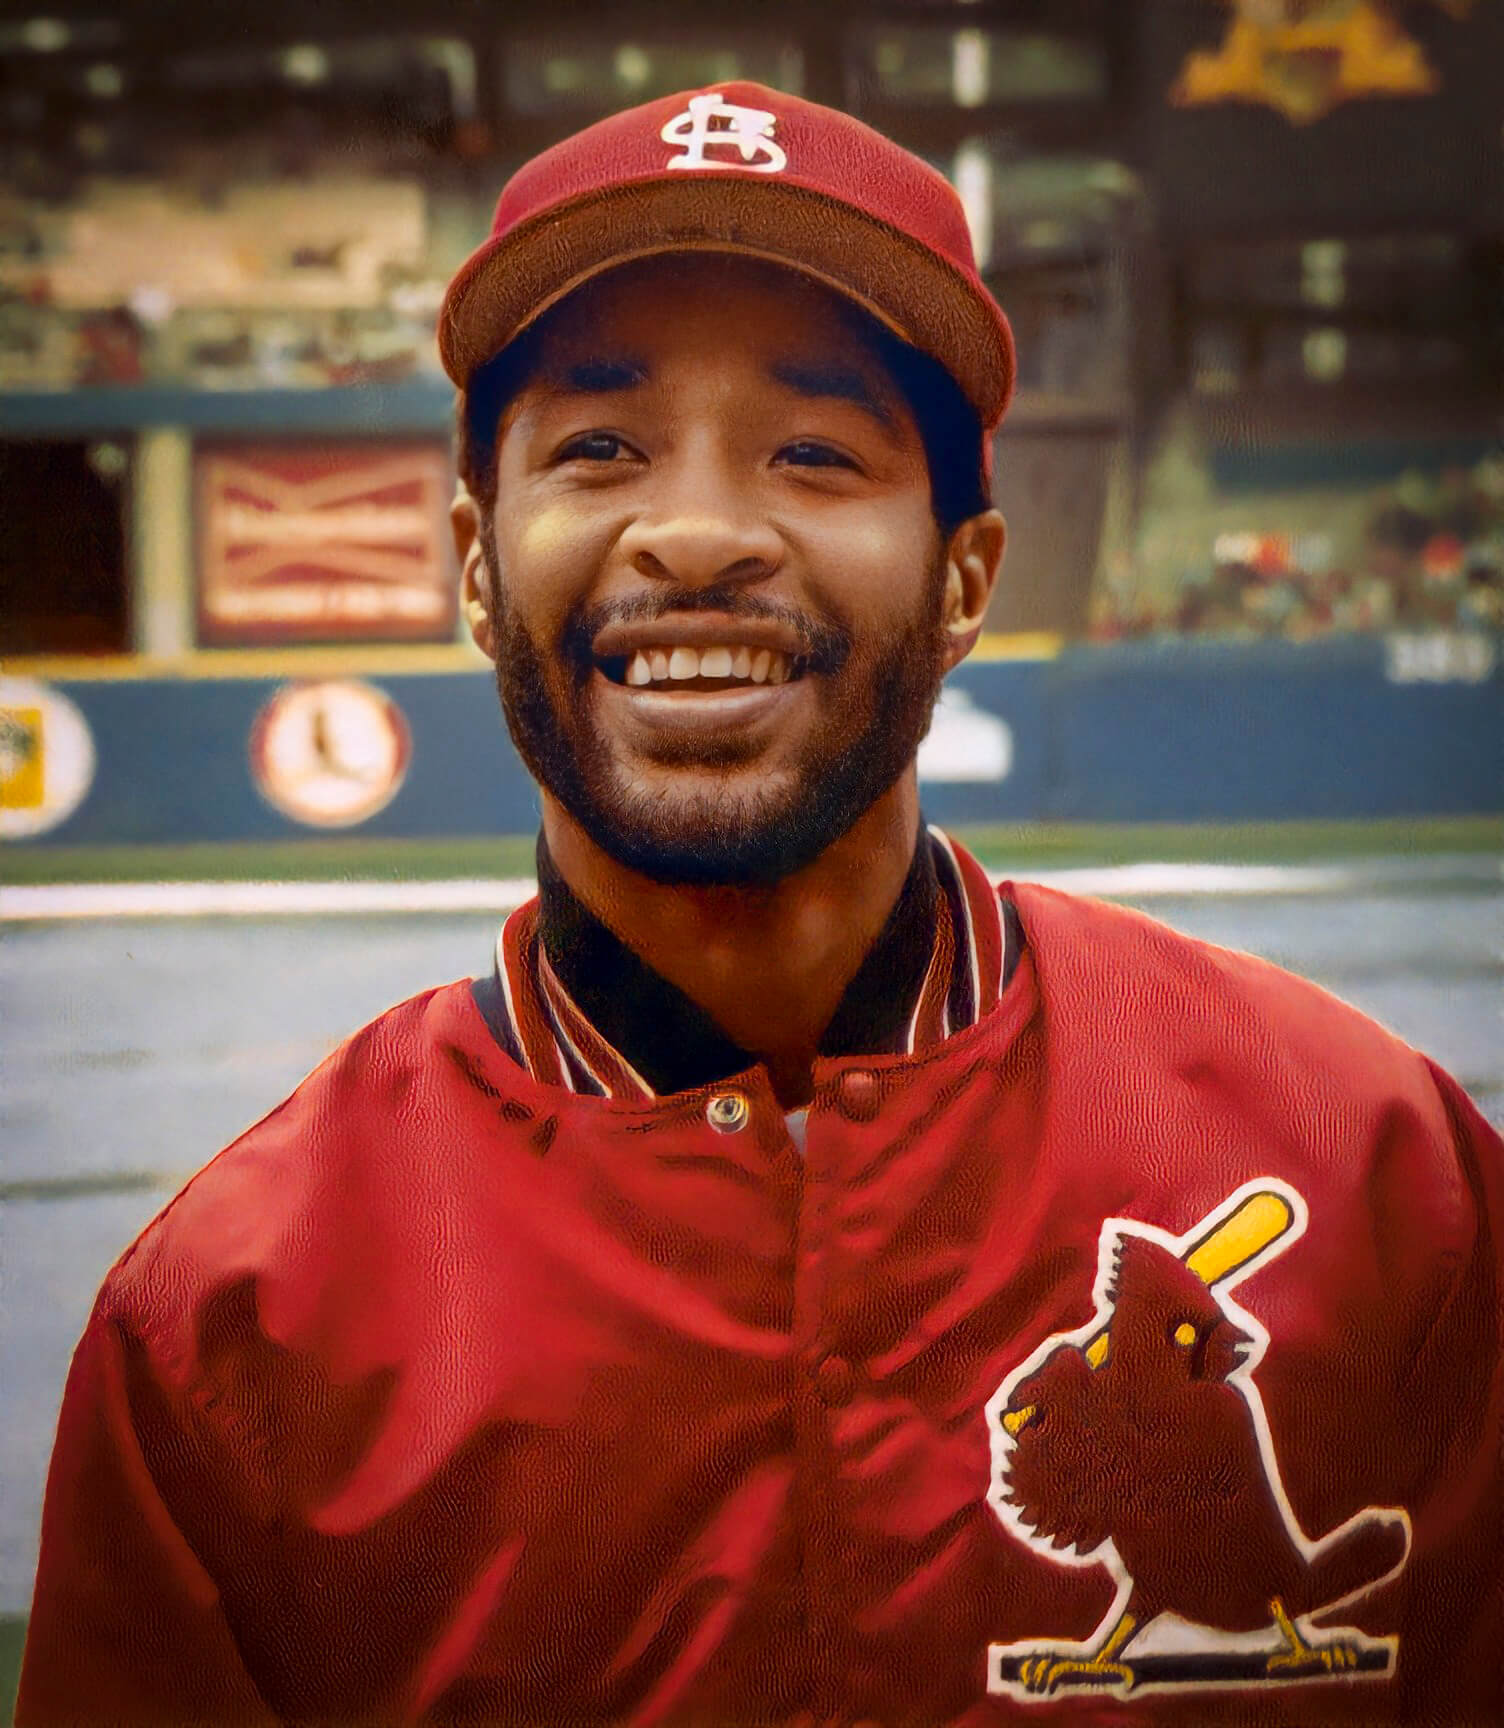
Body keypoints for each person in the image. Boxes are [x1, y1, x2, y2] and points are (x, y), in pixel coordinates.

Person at [17, 83, 1502, 1728]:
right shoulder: (235, 1329)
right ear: (474, 563)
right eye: (597, 448)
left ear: (964, 577)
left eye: (815, 451)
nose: (703, 533)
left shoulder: (1380, 1169)